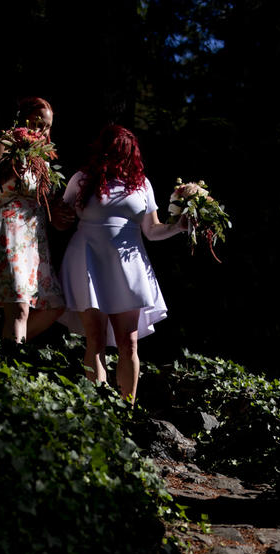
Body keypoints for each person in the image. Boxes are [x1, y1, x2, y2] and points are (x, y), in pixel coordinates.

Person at [58, 124, 186, 402]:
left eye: (125, 152)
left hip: (127, 266)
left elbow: (152, 230)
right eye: (115, 151)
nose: (119, 158)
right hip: (87, 259)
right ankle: (98, 406)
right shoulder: (81, 179)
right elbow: (60, 220)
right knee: (95, 338)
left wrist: (179, 226)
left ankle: (126, 407)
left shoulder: (142, 184)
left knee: (128, 342)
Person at [0, 96, 73, 343]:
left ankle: (1, 347)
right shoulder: (4, 146)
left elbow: (48, 207)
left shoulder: (44, 161)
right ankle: (11, 369)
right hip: (7, 229)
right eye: (38, 123)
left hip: (34, 239)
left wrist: (59, 216)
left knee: (53, 307)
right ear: (23, 119)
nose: (42, 131)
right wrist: (3, 177)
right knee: (20, 307)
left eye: (47, 127)